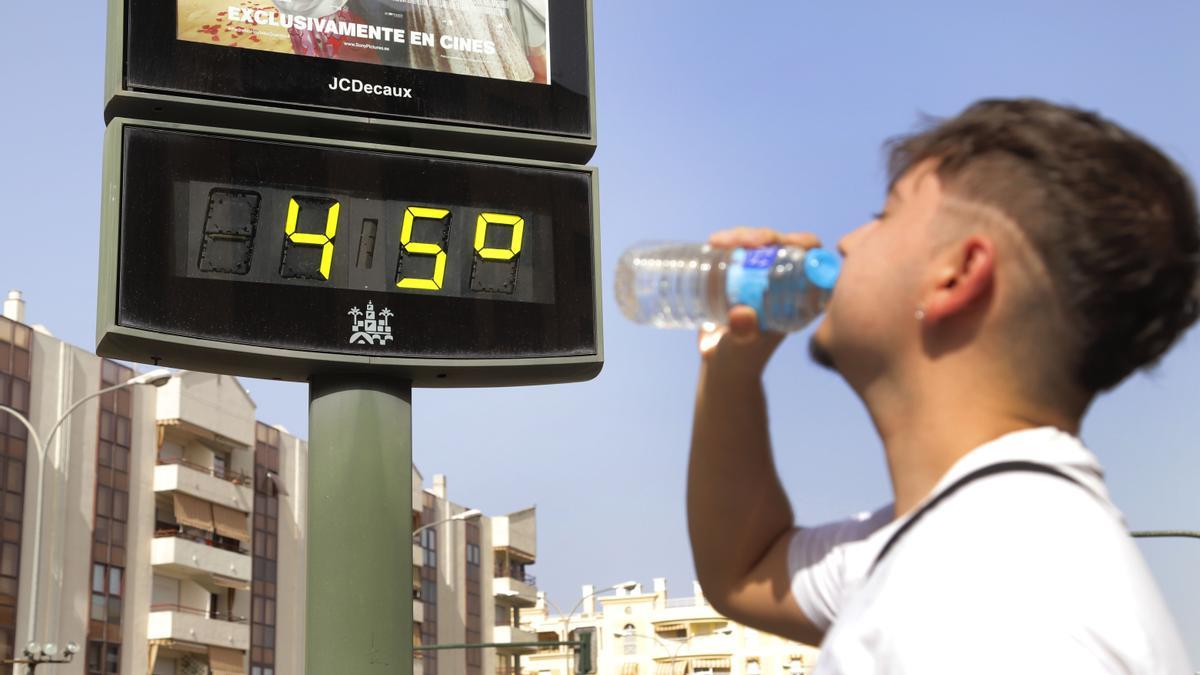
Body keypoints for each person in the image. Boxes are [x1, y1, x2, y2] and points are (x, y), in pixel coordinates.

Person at [688, 98, 1198, 673]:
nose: (849, 240)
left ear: (957, 274)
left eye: (885, 214)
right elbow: (745, 571)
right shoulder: (976, 541)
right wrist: (732, 364)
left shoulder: (992, 611)